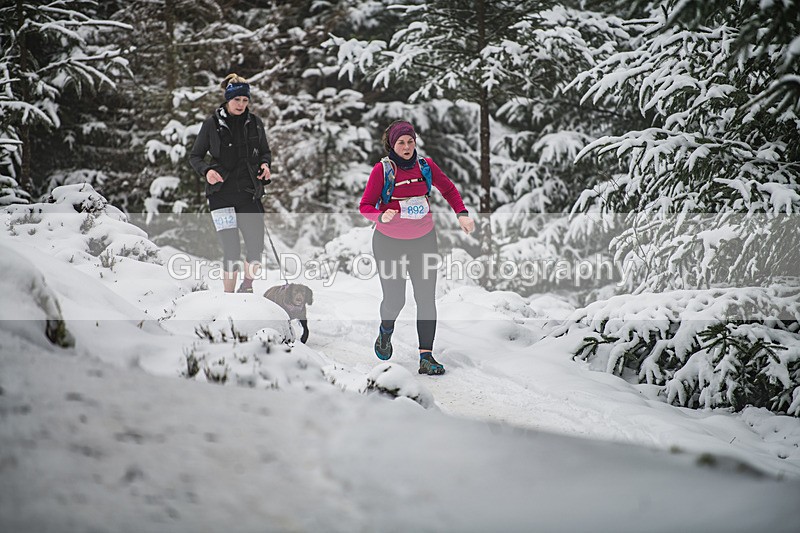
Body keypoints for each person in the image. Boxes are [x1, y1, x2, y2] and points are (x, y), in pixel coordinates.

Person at [359, 120, 475, 375]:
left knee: (425, 299)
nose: (407, 146)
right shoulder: (383, 170)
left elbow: (448, 188)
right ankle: (385, 331)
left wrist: (462, 213)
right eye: (401, 142)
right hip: (389, 243)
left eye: (410, 141)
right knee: (395, 299)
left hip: (423, 240)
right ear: (392, 144)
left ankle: (426, 357)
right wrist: (380, 216)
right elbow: (365, 205)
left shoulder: (425, 166)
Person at [190, 73, 272, 293]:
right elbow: (195, 156)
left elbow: (264, 152)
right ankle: (228, 298)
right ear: (228, 99)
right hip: (221, 195)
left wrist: (265, 166)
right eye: (237, 100)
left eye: (245, 100)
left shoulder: (255, 123)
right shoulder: (212, 124)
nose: (241, 104)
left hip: (248, 194)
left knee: (256, 247)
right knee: (231, 250)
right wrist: (206, 171)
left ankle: (246, 286)